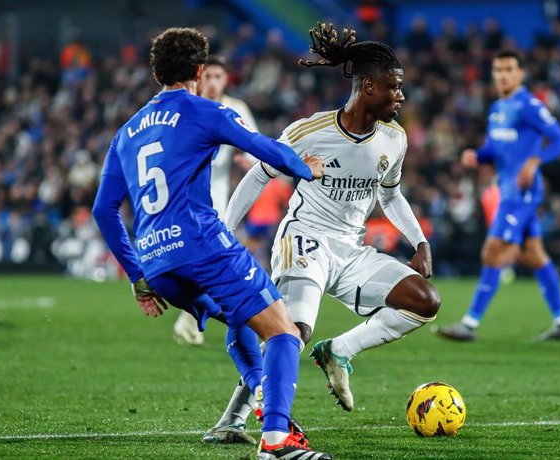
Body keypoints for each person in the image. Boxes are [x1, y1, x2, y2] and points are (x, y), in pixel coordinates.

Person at [91, 27, 331, 460]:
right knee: (285, 334)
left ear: (156, 71)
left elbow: (103, 211)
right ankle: (276, 440)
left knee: (242, 319)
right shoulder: (204, 110)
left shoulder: (126, 132)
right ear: (200, 70)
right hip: (203, 246)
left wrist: (136, 275)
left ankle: (261, 398)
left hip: (158, 264)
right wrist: (306, 168)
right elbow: (264, 148)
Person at [203, 23, 441, 443]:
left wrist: (418, 241)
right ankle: (236, 419)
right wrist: (224, 231)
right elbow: (258, 177)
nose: (401, 96)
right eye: (394, 87)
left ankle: (340, 352)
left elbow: (391, 195)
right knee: (292, 332)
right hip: (305, 240)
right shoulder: (310, 132)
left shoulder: (394, 139)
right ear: (368, 86)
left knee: (424, 302)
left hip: (351, 250)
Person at [434, 49, 560, 342]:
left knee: (492, 251)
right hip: (508, 189)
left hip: (522, 192)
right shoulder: (497, 108)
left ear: (521, 73)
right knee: (536, 256)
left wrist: (536, 160)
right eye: (498, 70)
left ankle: (469, 325)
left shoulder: (529, 105)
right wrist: (477, 155)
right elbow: (495, 150)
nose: (502, 75)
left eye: (509, 69)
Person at [172, 54, 259, 346]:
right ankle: (198, 318)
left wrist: (246, 159)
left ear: (226, 79)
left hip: (217, 204)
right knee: (205, 263)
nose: (211, 82)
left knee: (210, 262)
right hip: (182, 199)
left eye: (217, 76)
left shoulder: (236, 109)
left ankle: (192, 319)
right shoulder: (185, 107)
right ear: (198, 78)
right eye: (206, 76)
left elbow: (255, 148)